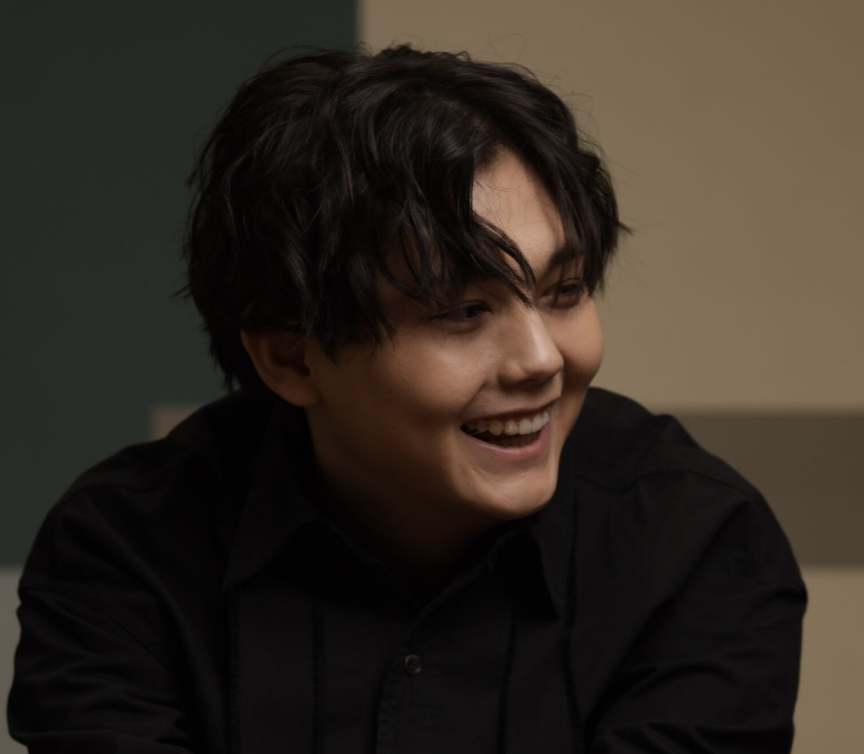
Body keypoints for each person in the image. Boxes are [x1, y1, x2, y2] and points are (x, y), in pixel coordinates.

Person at [7, 44, 807, 753]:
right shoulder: (126, 552)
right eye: (463, 311)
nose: (542, 360)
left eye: (563, 292)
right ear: (291, 354)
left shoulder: (697, 545)